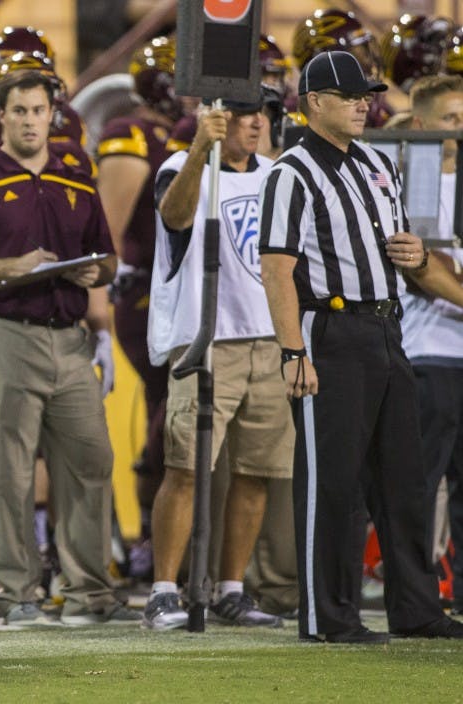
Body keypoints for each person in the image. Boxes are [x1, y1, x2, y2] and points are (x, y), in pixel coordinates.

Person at [259, 50, 463, 643]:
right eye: (349, 96)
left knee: (405, 481)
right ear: (314, 102)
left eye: (365, 95)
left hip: (387, 327)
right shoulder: (290, 172)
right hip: (331, 331)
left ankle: (417, 608)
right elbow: (276, 269)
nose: (363, 104)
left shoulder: (379, 162)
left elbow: (408, 254)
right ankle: (330, 616)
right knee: (334, 483)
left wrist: (421, 260)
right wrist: (294, 351)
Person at [0, 70, 132, 626]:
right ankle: (19, 590)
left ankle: (90, 589)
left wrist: (96, 273)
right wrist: (11, 267)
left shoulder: (77, 180)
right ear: (0, 117)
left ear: (53, 115)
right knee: (8, 470)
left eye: (37, 110)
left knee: (92, 460)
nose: (28, 120)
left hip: (70, 341)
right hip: (5, 335)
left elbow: (110, 259)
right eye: (17, 110)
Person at [143, 96, 289, 630]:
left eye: (264, 115)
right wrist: (200, 147)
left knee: (257, 472)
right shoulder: (180, 168)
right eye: (248, 113)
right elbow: (175, 216)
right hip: (206, 337)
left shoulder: (276, 173)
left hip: (268, 337)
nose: (257, 123)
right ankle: (163, 590)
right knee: (185, 467)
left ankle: (231, 587)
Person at [95, 36, 182, 580]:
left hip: (182, 290)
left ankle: (165, 534)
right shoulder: (132, 133)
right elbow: (110, 226)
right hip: (149, 291)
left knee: (172, 411)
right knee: (168, 410)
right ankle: (153, 535)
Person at [399, 74, 463, 613]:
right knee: (420, 485)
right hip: (430, 351)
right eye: (452, 120)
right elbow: (421, 267)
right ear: (420, 126)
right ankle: (416, 601)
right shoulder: (409, 181)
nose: (461, 130)